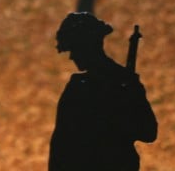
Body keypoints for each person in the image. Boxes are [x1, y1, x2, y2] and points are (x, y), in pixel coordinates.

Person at [49, 12, 157, 170]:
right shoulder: (78, 87)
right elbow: (60, 147)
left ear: (88, 46)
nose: (71, 57)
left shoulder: (124, 83)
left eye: (75, 49)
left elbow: (148, 132)